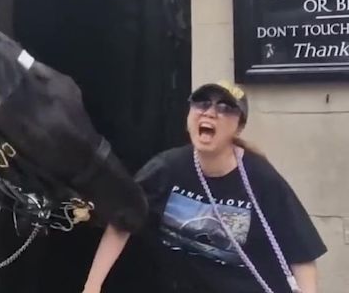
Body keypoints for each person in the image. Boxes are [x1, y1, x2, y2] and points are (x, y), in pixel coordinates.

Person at [82, 80, 327, 293]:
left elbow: (301, 253)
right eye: (202, 104)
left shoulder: (261, 178)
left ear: (239, 127)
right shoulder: (166, 168)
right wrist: (92, 286)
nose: (210, 112)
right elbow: (123, 221)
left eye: (224, 107)